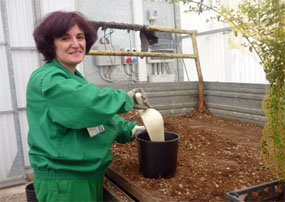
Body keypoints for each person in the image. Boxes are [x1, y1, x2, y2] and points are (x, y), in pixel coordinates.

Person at [26, 11, 149, 202]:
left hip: (82, 176)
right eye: (66, 38)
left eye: (80, 37)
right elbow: (88, 105)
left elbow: (93, 119)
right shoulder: (48, 79)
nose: (76, 44)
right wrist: (126, 98)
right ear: (51, 44)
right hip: (65, 182)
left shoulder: (72, 78)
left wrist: (130, 129)